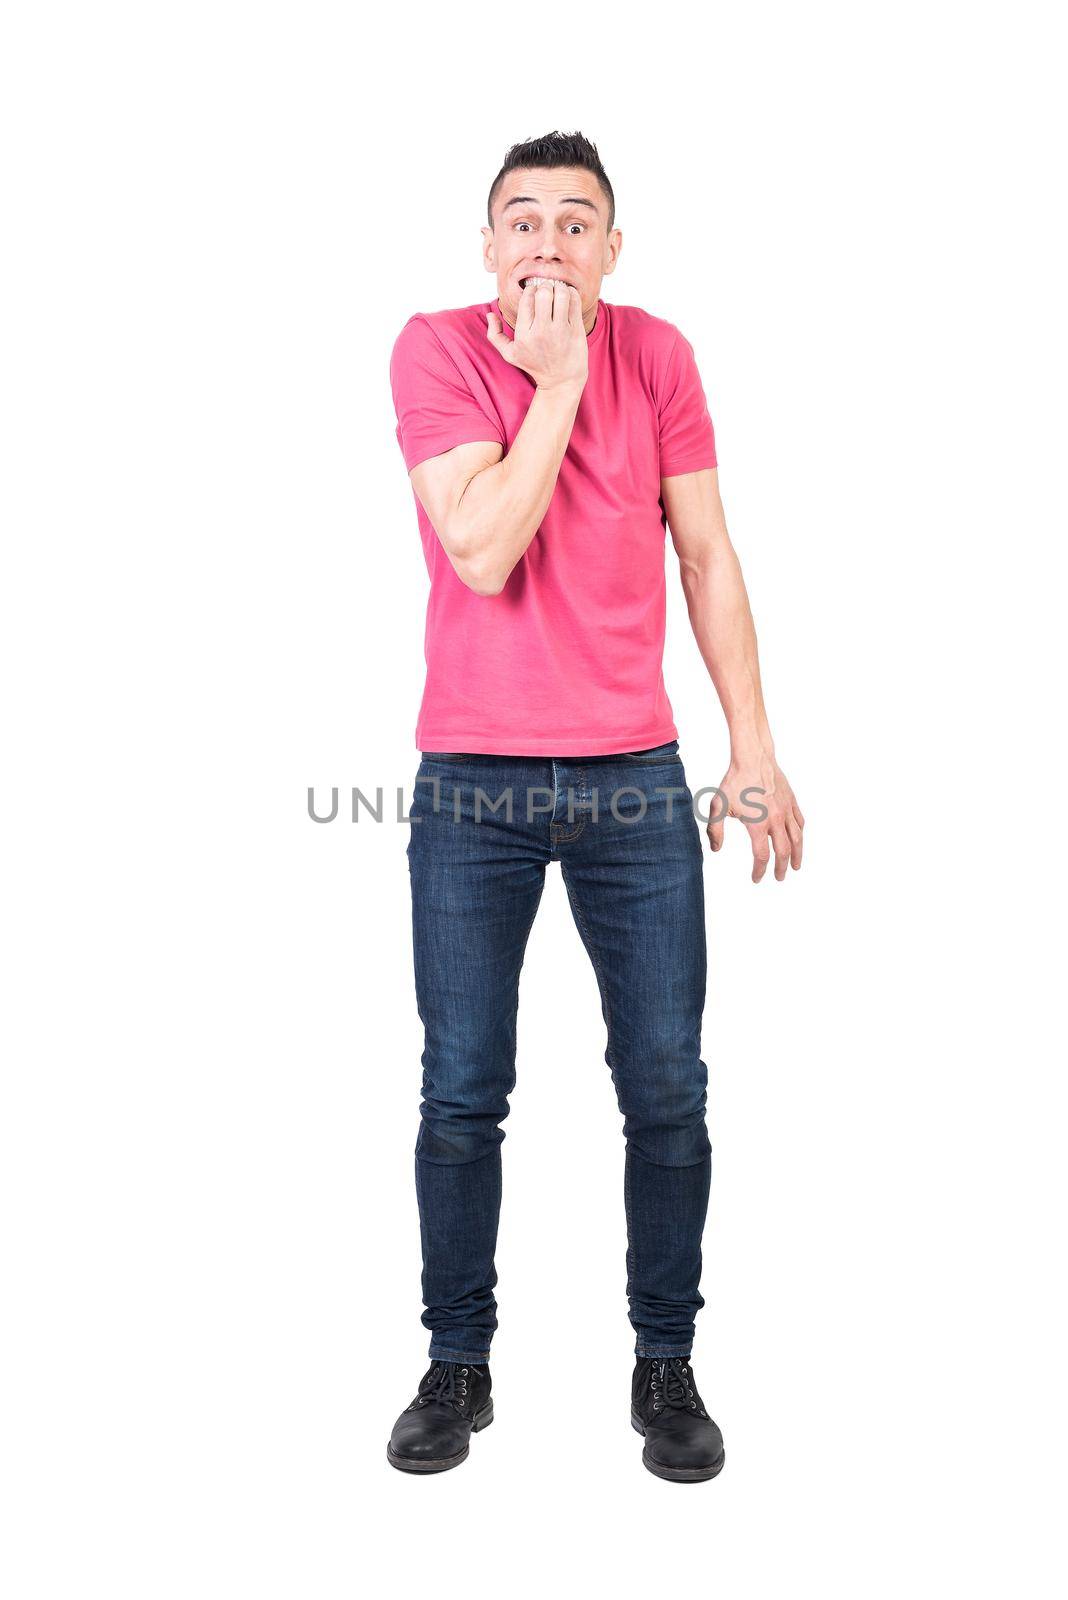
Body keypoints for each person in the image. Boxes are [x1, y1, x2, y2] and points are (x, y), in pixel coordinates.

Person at [386, 131, 804, 1481]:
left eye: (577, 224)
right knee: (462, 1091)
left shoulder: (663, 355)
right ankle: (459, 1363)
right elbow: (484, 545)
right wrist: (556, 387)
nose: (548, 245)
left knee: (668, 1089)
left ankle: (665, 1360)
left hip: (630, 778)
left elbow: (707, 549)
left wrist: (752, 743)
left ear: (612, 253)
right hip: (473, 783)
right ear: (487, 248)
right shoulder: (436, 350)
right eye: (523, 222)